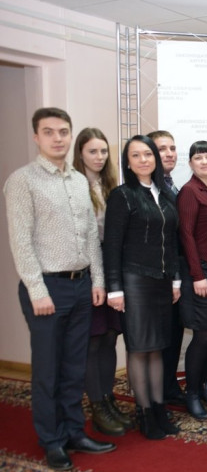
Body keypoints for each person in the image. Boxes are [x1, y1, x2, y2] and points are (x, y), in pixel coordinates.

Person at [6, 108, 115, 470]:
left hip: (81, 286)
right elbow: (21, 241)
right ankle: (51, 440)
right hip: (47, 289)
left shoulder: (79, 181)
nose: (57, 138)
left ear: (70, 135)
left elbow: (90, 237)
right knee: (48, 371)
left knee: (74, 367)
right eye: (49, 132)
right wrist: (36, 290)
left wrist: (97, 281)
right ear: (36, 137)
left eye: (63, 131)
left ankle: (74, 432)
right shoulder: (22, 180)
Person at [104, 135, 182, 440]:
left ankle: (159, 408)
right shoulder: (122, 196)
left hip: (162, 281)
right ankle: (145, 413)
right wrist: (114, 289)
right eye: (135, 155)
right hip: (134, 280)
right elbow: (112, 245)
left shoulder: (165, 194)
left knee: (157, 347)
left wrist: (176, 279)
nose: (143, 160)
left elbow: (173, 242)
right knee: (139, 348)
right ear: (127, 162)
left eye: (148, 154)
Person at [72, 127, 131, 437]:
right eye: (92, 151)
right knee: (94, 340)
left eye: (103, 151)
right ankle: (97, 406)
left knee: (110, 336)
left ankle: (108, 400)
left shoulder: (111, 186)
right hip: (89, 272)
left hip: (112, 269)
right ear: (80, 153)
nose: (99, 157)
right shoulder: (74, 186)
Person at [176, 141, 207, 420]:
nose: (204, 161)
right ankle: (192, 393)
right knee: (203, 334)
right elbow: (186, 235)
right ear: (191, 163)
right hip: (201, 272)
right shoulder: (189, 191)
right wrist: (198, 276)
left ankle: (206, 387)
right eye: (198, 157)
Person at [147, 130, 187, 406]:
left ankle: (169, 387)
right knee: (158, 339)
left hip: (176, 273)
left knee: (174, 332)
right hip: (155, 277)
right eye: (162, 149)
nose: (170, 153)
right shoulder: (148, 190)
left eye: (172, 148)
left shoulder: (173, 186)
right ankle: (154, 398)